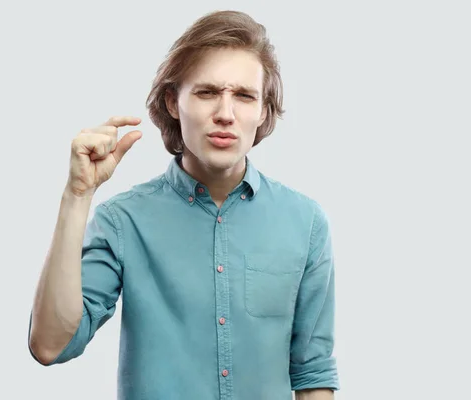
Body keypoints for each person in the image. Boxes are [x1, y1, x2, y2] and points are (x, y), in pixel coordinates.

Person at [28, 10, 339, 400]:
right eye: (207, 92)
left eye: (244, 96)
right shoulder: (124, 221)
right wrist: (77, 197)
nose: (225, 114)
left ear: (262, 111)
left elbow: (312, 373)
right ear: (174, 102)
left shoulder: (305, 222)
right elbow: (51, 345)